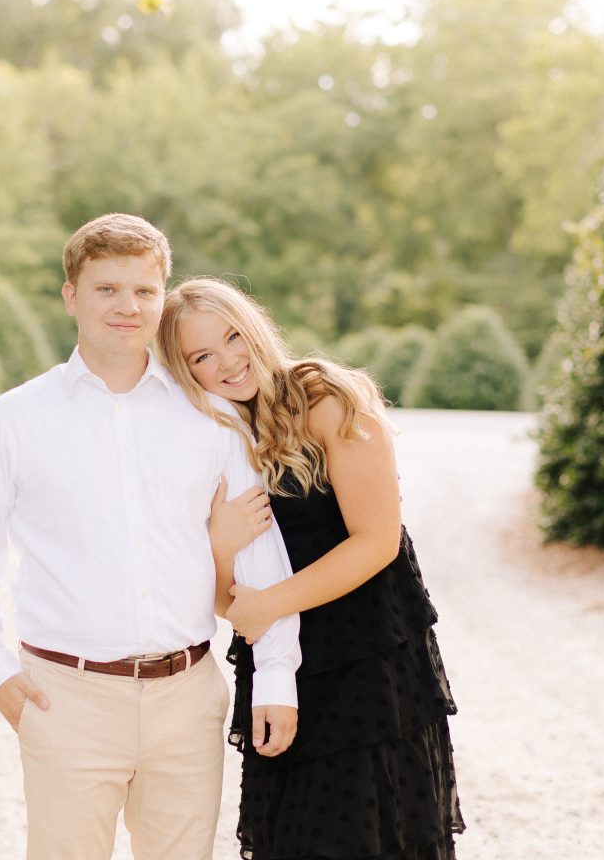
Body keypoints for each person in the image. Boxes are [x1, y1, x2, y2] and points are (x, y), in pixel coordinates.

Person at [0, 216, 302, 860]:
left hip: (188, 695)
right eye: (107, 289)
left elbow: (259, 550)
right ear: (71, 295)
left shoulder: (212, 417)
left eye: (143, 291)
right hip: (67, 698)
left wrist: (276, 673)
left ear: (162, 299)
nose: (127, 307)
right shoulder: (13, 422)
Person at [157, 277, 465, 860]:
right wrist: (220, 548)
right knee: (296, 837)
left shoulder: (327, 398)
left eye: (232, 337)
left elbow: (378, 540)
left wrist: (273, 602)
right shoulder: (210, 436)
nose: (227, 362)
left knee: (374, 833)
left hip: (366, 655)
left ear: (254, 328)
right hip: (280, 662)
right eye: (202, 356)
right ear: (184, 371)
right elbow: (230, 598)